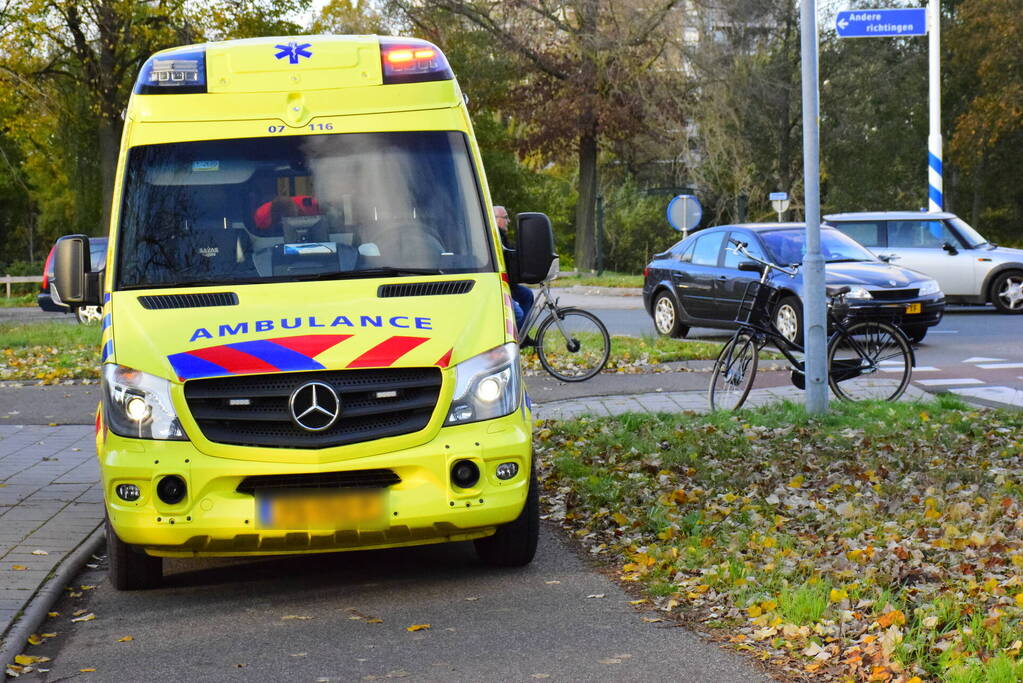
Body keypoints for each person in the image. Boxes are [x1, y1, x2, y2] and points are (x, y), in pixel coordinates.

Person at [494, 205, 534, 332]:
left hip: (507, 284)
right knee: (518, 314)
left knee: (526, 295)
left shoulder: (501, 237)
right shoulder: (494, 237)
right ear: (495, 219)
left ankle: (522, 334)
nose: (509, 221)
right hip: (497, 285)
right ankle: (514, 338)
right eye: (505, 217)